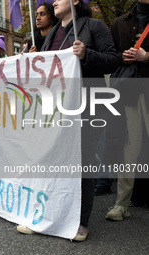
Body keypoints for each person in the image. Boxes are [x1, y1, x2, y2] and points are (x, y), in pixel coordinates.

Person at [16, 0, 118, 241]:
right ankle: (48, 216)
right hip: (57, 106)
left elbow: (113, 60)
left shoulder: (93, 26)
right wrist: (35, 59)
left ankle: (80, 222)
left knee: (82, 161)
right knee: (52, 159)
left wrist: (87, 53)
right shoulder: (52, 33)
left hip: (86, 104)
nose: (53, 1)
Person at [105, 0, 149, 221]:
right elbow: (109, 56)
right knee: (130, 148)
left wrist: (146, 57)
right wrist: (122, 57)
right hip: (131, 91)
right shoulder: (120, 23)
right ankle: (121, 204)